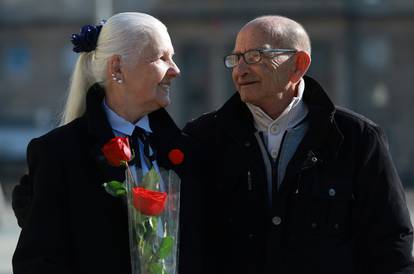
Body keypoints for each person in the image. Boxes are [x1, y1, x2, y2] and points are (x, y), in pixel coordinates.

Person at [181, 15, 414, 273]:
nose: (240, 70)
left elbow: (391, 246)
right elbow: (187, 243)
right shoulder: (202, 139)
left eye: (256, 56)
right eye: (236, 59)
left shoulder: (359, 138)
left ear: (298, 65)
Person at [12, 12, 186, 274]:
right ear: (117, 68)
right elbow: (38, 262)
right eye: (161, 58)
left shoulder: (191, 148)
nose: (175, 70)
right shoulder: (59, 152)